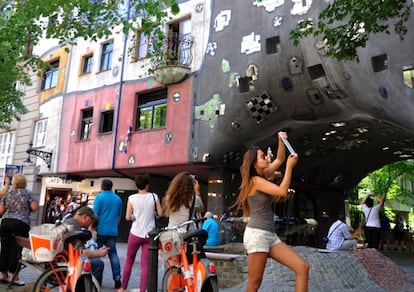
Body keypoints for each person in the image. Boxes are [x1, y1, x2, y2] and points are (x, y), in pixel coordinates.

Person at [234, 132, 309, 292]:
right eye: (262, 157)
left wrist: (280, 140)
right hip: (257, 235)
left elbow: (280, 159)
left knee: (302, 267)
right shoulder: (255, 181)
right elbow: (282, 191)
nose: (267, 159)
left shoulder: (263, 175)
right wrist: (289, 168)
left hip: (269, 235)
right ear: (254, 164)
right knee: (254, 283)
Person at [120, 174, 162, 292]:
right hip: (150, 234)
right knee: (145, 265)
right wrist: (151, 214)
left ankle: (123, 287)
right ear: (147, 185)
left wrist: (136, 216)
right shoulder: (154, 196)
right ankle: (143, 290)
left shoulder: (132, 198)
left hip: (135, 232)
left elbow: (128, 217)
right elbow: (160, 213)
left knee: (129, 260)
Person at [0, 174, 39, 285]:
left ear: (15, 183)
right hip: (21, 223)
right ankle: (14, 276)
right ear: (24, 183)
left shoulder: (8, 194)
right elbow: (35, 207)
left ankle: (3, 274)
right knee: (16, 250)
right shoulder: (28, 193)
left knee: (4, 248)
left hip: (6, 222)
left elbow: (1, 210)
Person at [63, 206, 109, 286]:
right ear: (85, 217)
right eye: (90, 220)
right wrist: (98, 253)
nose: (90, 224)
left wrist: (97, 252)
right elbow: (80, 252)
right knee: (98, 263)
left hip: (65, 256)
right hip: (69, 260)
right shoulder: (74, 227)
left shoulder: (70, 222)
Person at [93, 179, 123, 290]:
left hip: (100, 230)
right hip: (112, 231)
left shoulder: (99, 197)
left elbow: (95, 215)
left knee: (95, 253)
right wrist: (115, 226)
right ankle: (117, 278)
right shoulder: (118, 199)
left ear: (102, 186)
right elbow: (119, 216)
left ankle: (95, 278)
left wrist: (93, 228)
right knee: (113, 254)